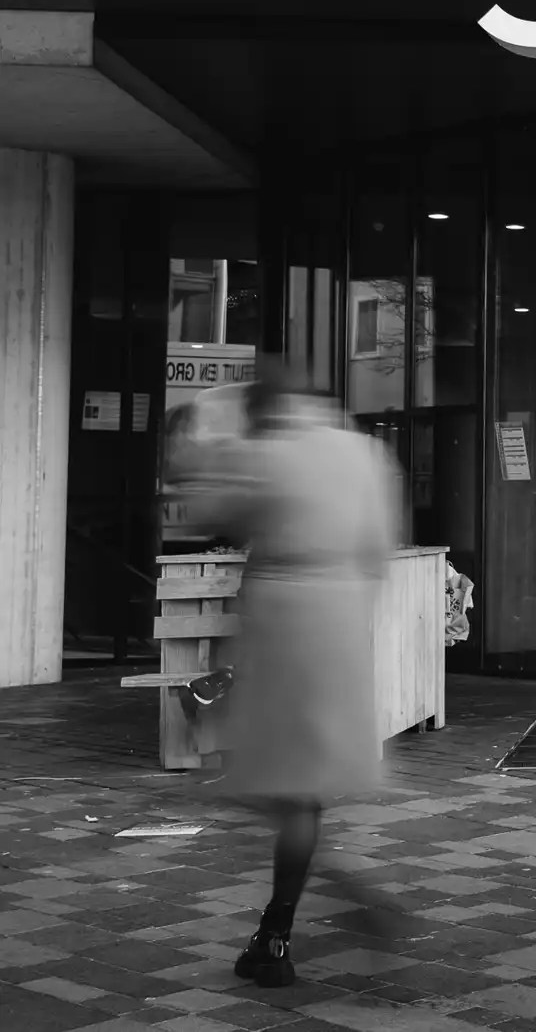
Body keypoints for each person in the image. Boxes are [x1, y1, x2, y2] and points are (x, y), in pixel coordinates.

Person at [182, 364, 401, 989]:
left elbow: (206, 509)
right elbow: (377, 549)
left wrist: (204, 437)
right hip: (341, 618)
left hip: (283, 616)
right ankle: (276, 934)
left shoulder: (268, 452)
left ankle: (303, 919)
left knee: (267, 782)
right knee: (296, 785)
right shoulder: (364, 452)